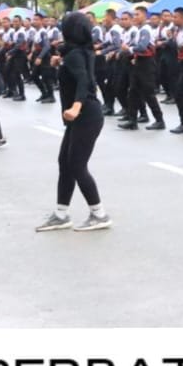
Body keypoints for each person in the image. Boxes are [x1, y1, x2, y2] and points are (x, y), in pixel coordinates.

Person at [35, 12, 111, 233]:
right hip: (82, 115)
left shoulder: (76, 54)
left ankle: (99, 214)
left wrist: (76, 106)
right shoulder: (79, 51)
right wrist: (62, 61)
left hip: (86, 114)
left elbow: (84, 81)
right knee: (65, 162)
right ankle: (61, 214)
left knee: (77, 165)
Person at [119, 6, 166, 131]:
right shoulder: (139, 30)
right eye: (134, 15)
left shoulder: (145, 30)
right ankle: (132, 120)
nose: (135, 17)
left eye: (137, 15)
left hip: (147, 64)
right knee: (133, 92)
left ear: (145, 16)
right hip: (139, 62)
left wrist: (128, 49)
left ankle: (159, 120)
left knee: (149, 93)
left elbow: (142, 47)